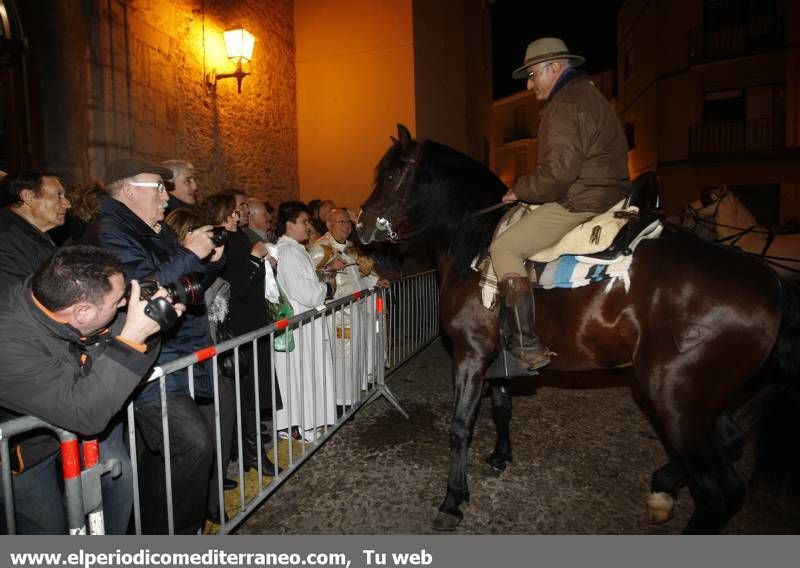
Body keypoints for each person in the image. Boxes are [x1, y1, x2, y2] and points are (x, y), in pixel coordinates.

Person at [82, 157, 221, 534]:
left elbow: (184, 286)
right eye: (157, 187)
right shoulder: (110, 231)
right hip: (137, 358)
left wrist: (206, 263)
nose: (166, 194)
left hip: (168, 354)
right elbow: (143, 291)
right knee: (192, 443)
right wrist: (190, 253)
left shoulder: (150, 229)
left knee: (160, 456)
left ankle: (156, 532)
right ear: (128, 191)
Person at [0, 245, 175, 534]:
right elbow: (85, 413)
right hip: (22, 454)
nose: (123, 306)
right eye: (118, 301)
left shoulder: (53, 297)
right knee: (47, 532)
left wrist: (153, 322)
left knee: (118, 482)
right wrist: (135, 335)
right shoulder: (9, 343)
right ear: (81, 311)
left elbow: (113, 348)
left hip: (63, 427)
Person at [489, 37, 630, 370]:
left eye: (533, 73)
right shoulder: (588, 94)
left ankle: (526, 344)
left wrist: (519, 189)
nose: (529, 82)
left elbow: (557, 175)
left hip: (582, 198)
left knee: (505, 248)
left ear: (554, 68)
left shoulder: (565, 104)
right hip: (606, 191)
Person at [198, 192, 278, 474]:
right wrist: (257, 261)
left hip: (253, 323)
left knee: (251, 396)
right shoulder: (221, 243)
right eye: (234, 210)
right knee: (245, 397)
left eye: (240, 208)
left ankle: (248, 454)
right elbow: (238, 285)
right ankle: (252, 455)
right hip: (237, 327)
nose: (239, 213)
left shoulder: (240, 238)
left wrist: (265, 267)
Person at [308, 208, 389, 404]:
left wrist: (376, 281)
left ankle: (352, 397)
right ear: (329, 225)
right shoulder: (321, 248)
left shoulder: (350, 247)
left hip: (355, 311)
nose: (346, 226)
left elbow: (359, 275)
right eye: (341, 222)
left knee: (355, 356)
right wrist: (328, 269)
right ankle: (338, 402)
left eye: (348, 222)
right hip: (336, 315)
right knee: (341, 358)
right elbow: (310, 279)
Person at [273, 201, 336, 440]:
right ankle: (300, 425)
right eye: (304, 222)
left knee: (304, 373)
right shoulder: (288, 252)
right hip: (299, 325)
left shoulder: (294, 249)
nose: (308, 226)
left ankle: (304, 422)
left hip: (304, 324)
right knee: (300, 375)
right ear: (289, 225)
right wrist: (327, 287)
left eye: (309, 221)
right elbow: (308, 294)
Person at [0, 171, 71, 290]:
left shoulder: (31, 231)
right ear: (29, 197)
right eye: (58, 195)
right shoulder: (5, 238)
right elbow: (15, 297)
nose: (67, 204)